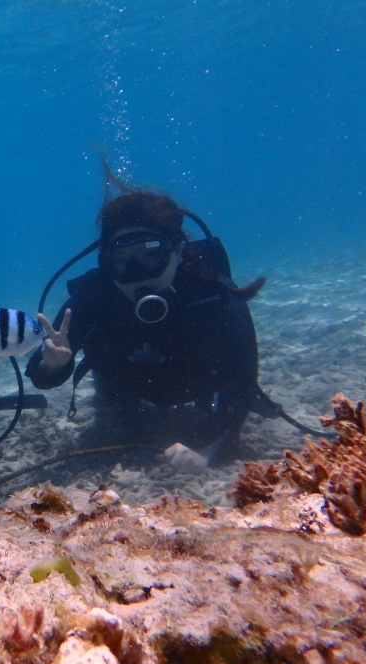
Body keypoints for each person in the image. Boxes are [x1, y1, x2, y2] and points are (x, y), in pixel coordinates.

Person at [25, 184, 263, 470]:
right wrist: (53, 365)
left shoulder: (212, 294)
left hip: (194, 389)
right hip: (121, 392)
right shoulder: (92, 298)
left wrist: (206, 444)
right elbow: (41, 376)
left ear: (178, 249)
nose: (136, 273)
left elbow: (243, 384)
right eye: (121, 261)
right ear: (106, 263)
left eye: (151, 255)